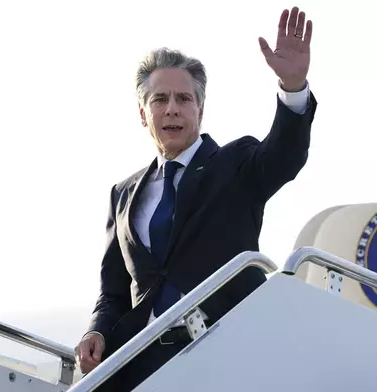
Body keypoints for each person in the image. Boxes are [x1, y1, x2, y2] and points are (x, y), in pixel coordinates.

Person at [73, 6, 316, 390]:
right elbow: (114, 292)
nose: (172, 109)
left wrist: (293, 88)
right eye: (160, 99)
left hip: (223, 355)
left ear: (200, 109)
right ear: (143, 113)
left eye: (184, 99)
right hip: (140, 365)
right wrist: (97, 332)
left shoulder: (235, 165)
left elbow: (284, 156)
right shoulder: (122, 194)